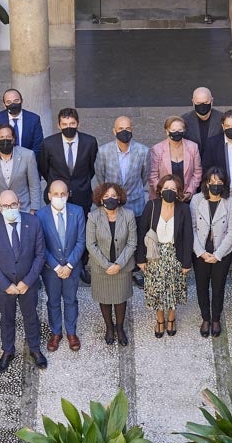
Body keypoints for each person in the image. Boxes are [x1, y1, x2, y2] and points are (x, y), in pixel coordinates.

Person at [0, 190, 48, 372]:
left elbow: (40, 254)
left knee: (31, 317)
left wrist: (27, 281)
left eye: (12, 205)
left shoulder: (33, 222)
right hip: (4, 286)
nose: (9, 208)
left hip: (29, 283)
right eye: (5, 206)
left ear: (19, 204)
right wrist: (6, 284)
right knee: (6, 319)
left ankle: (35, 349)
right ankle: (8, 350)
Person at [37, 108, 98, 284]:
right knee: (55, 229)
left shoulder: (89, 142)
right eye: (65, 124)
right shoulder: (49, 144)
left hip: (81, 193)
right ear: (59, 125)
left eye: (72, 124)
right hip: (57, 194)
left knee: (82, 230)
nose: (68, 127)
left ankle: (80, 265)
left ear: (78, 123)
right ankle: (56, 262)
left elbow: (92, 168)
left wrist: (80, 185)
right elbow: (44, 168)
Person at [94, 116, 149, 287]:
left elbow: (145, 177)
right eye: (120, 129)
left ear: (132, 129)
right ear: (114, 131)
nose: (124, 132)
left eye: (127, 128)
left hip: (136, 202)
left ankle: (137, 270)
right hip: (113, 204)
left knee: (137, 237)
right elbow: (100, 178)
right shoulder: (103, 152)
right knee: (118, 237)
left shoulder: (143, 151)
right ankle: (118, 265)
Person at [137, 175, 193, 338]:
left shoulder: (183, 209)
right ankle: (160, 320)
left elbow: (188, 236)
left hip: (175, 256)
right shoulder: (152, 206)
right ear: (160, 190)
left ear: (178, 192)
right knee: (158, 292)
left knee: (174, 290)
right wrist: (140, 259)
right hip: (154, 256)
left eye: (173, 189)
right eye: (166, 188)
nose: (170, 191)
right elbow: (142, 231)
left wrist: (186, 262)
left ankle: (171, 319)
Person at [37, 180, 86, 351]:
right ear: (49, 196)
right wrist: (57, 267)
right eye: (56, 194)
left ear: (68, 195)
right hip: (51, 270)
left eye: (63, 194)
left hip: (72, 267)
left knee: (71, 300)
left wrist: (70, 265)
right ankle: (56, 332)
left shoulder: (77, 212)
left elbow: (81, 241)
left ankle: (71, 332)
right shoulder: (40, 216)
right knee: (53, 301)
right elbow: (40, 245)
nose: (59, 197)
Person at [86, 183, 137, 346]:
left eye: (114, 196)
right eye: (107, 196)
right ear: (100, 199)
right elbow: (90, 244)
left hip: (122, 267)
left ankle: (120, 328)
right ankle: (109, 327)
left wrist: (118, 264)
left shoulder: (128, 215)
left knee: (121, 299)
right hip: (101, 268)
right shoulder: (93, 217)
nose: (110, 199)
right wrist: (106, 265)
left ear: (120, 198)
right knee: (105, 299)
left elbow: (132, 243)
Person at [190, 168, 232, 338]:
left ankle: (216, 318)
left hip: (222, 253)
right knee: (201, 287)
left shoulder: (229, 201)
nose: (215, 185)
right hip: (201, 252)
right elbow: (192, 228)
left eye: (219, 183)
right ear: (207, 182)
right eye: (212, 182)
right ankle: (205, 318)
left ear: (224, 184)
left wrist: (218, 255)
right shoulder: (196, 200)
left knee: (218, 287)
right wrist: (201, 253)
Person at [0, 123, 42, 219]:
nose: (5, 140)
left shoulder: (28, 155)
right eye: (2, 137)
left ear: (13, 139)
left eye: (8, 137)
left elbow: (34, 184)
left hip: (23, 209)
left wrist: (34, 208)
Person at [149, 116, 202, 202]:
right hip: (163, 199)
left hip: (186, 198)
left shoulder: (193, 147)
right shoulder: (157, 149)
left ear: (184, 131)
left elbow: (197, 173)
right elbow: (153, 176)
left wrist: (189, 192)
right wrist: (164, 193)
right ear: (167, 131)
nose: (177, 133)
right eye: (173, 130)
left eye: (180, 130)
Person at [0, 88, 44, 154]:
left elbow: (38, 146)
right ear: (4, 105)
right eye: (8, 102)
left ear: (21, 101)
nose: (13, 104)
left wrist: (28, 161)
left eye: (16, 101)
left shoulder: (34, 119)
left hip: (28, 161)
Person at [181, 86, 223, 154]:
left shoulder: (223, 119)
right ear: (193, 102)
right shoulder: (184, 120)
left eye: (206, 102)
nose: (202, 106)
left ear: (212, 101)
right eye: (198, 103)